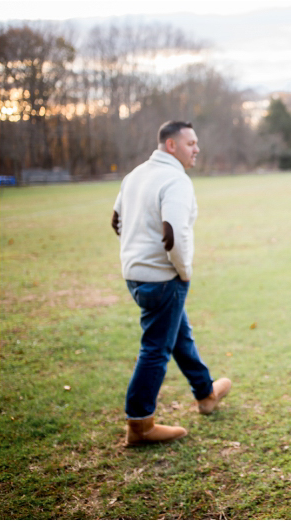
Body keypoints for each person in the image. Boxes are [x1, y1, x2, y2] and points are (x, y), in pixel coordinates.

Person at [112, 120, 232, 446]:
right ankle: (139, 425)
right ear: (171, 145)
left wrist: (138, 259)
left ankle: (205, 394)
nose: (197, 149)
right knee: (156, 349)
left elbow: (117, 221)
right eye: (191, 143)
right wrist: (184, 271)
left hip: (135, 276)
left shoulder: (134, 175)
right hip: (164, 279)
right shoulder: (175, 180)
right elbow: (174, 234)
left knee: (180, 335)